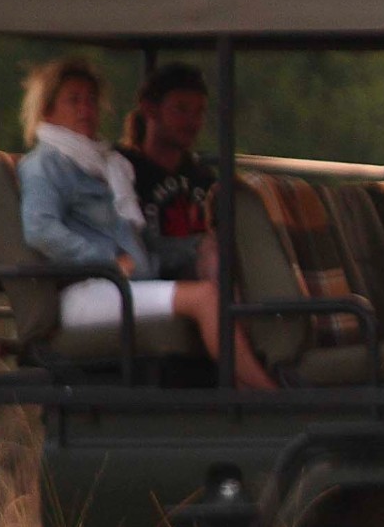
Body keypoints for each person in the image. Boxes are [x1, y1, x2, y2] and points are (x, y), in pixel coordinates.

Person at [15, 55, 273, 389]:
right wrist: (106, 261)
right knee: (206, 297)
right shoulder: (46, 164)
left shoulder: (106, 164)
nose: (86, 110)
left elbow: (140, 242)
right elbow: (41, 230)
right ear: (48, 110)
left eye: (91, 101)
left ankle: (259, 366)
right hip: (88, 289)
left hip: (123, 284)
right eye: (73, 101)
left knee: (215, 264)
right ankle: (264, 393)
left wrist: (196, 247)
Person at [114, 62, 218, 277]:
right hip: (152, 277)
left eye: (199, 112)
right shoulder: (123, 170)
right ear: (150, 109)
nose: (192, 122)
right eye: (181, 109)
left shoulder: (204, 178)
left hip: (201, 275)